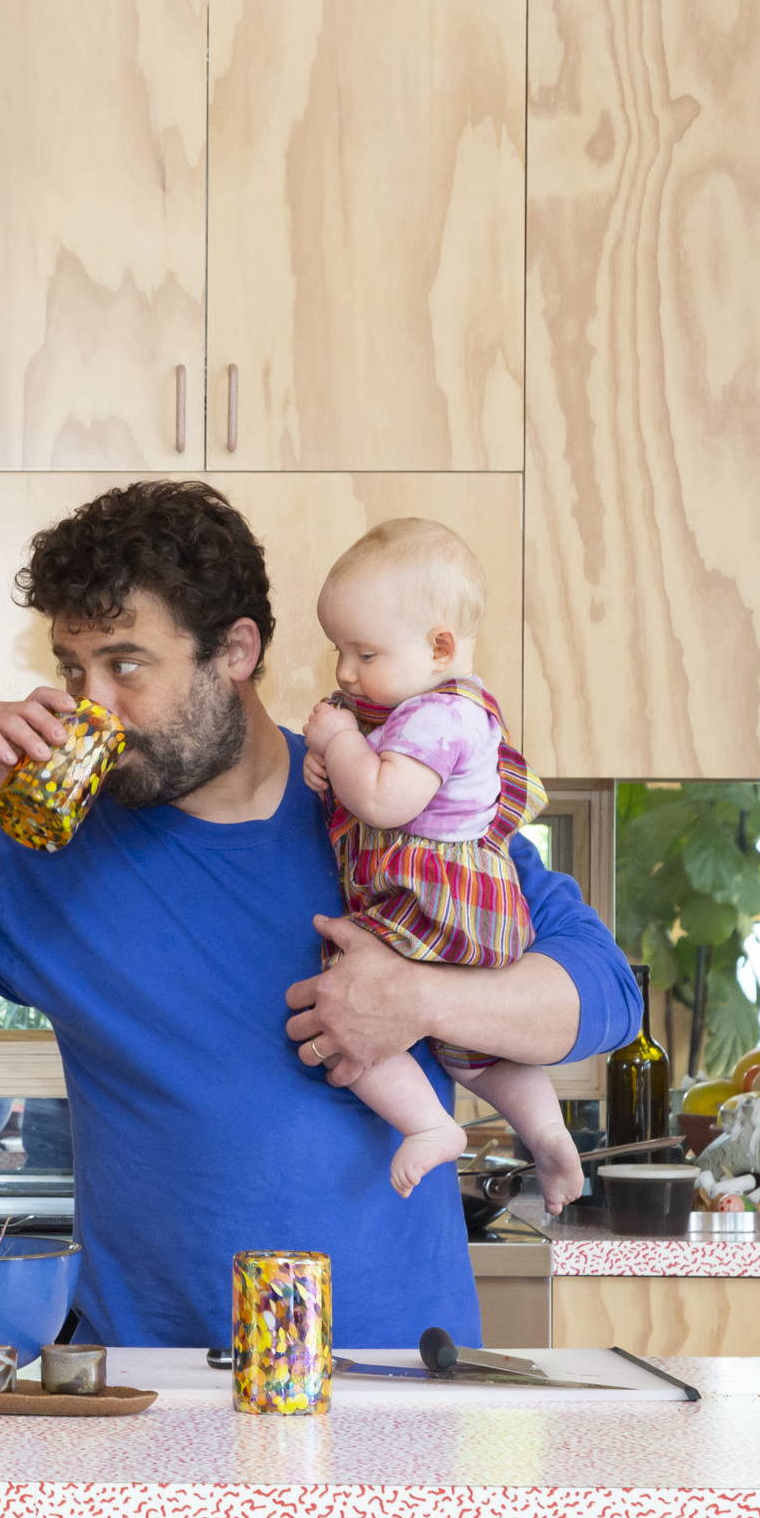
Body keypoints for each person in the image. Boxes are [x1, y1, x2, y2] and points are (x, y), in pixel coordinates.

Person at [0, 481, 637, 1349]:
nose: (91, 704)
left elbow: (601, 994)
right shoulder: (48, 855)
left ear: (235, 650)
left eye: (126, 665)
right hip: (150, 1384)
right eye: (75, 670)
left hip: (398, 1375)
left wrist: (422, 1001)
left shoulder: (385, 810)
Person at [298, 518, 587, 1212]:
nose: (343, 672)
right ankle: (547, 1135)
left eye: (362, 652)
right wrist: (334, 756)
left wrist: (339, 744)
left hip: (433, 902)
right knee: (470, 1049)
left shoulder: (438, 716)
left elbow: (383, 799)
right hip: (471, 909)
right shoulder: (434, 710)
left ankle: (430, 1123)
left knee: (348, 996)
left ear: (440, 647)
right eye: (337, 650)